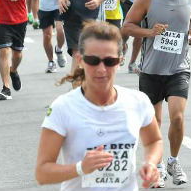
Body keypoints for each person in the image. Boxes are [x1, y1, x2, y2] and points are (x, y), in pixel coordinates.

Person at [35, 21, 162, 191]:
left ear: (120, 61)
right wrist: (80, 168)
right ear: (80, 60)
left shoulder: (137, 101)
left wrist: (151, 163)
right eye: (93, 60)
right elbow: (42, 173)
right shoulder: (63, 108)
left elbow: (154, 141)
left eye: (109, 61)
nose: (101, 69)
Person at [122, 0, 191, 187]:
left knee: (177, 116)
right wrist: (150, 32)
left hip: (178, 68)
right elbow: (127, 26)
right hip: (151, 70)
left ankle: (173, 161)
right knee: (154, 121)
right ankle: (156, 165)